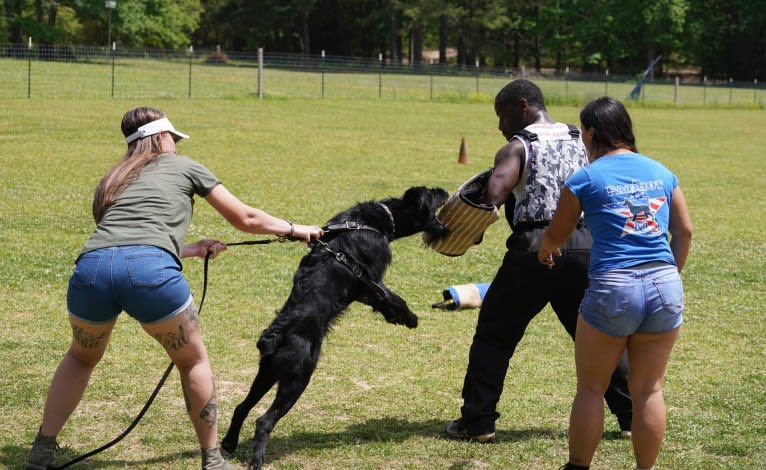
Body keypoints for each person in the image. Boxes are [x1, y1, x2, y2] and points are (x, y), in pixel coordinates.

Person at [26, 106, 323, 470]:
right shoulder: (184, 167)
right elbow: (245, 218)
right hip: (152, 274)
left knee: (80, 357)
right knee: (191, 359)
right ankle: (213, 460)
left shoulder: (111, 179)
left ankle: (41, 450)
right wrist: (296, 229)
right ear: (163, 137)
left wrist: (191, 250)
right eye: (175, 139)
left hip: (92, 270)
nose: (177, 146)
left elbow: (121, 241)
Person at [445, 79, 633, 443]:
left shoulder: (518, 146)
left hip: (535, 245)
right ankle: (631, 416)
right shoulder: (585, 137)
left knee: (495, 335)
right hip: (585, 244)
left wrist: (468, 222)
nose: (501, 126)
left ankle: (478, 422)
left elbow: (493, 194)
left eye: (502, 116)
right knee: (594, 336)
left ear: (522, 106)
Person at [539, 97, 692, 470]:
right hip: (664, 284)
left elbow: (558, 232)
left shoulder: (585, 178)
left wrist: (546, 248)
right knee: (650, 390)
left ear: (590, 133)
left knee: (592, 388)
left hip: (613, 287)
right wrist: (669, 275)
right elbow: (684, 232)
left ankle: (578, 466)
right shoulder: (662, 171)